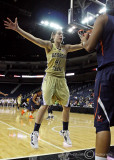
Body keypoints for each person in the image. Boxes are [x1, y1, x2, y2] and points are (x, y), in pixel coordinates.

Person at [4, 17, 83, 149]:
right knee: (45, 105)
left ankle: (65, 131)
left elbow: (83, 46)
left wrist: (84, 38)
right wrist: (18, 29)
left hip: (61, 79)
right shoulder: (49, 45)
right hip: (50, 78)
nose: (61, 35)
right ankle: (35, 133)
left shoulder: (66, 48)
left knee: (67, 106)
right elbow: (33, 39)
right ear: (53, 36)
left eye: (62, 34)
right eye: (59, 33)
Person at [81, 0, 114, 159]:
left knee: (102, 123)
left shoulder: (103, 18)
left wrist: (84, 39)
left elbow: (89, 47)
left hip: (108, 71)